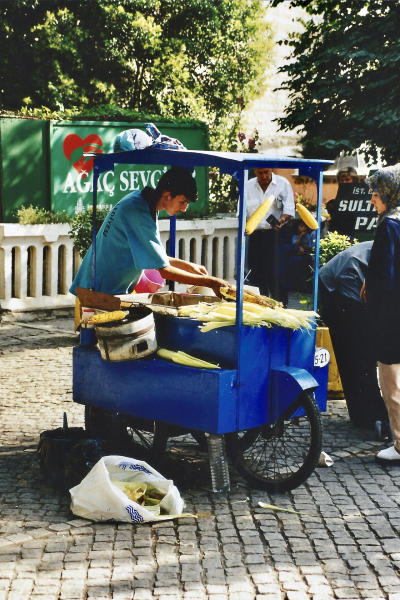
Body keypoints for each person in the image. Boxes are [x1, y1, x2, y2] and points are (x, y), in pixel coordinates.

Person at [70, 166, 229, 298]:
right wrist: (211, 282)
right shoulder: (137, 211)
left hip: (105, 288)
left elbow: (153, 256)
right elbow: (164, 270)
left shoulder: (143, 201)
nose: (184, 208)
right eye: (183, 202)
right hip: (96, 290)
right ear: (167, 195)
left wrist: (189, 266)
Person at [319, 242, 388, 429]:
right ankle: (369, 417)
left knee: (360, 356)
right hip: (341, 285)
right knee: (359, 355)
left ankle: (367, 415)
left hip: (347, 280)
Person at [360, 164, 400, 464]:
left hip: (392, 314)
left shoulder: (388, 224)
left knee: (391, 378)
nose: (372, 199)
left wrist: (370, 292)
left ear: (388, 193)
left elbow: (384, 276)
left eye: (375, 193)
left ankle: (399, 444)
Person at [246, 167, 295, 305]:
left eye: (266, 172)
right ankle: (262, 308)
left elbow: (289, 210)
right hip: (256, 235)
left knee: (275, 274)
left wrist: (282, 220)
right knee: (256, 275)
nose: (264, 176)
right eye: (260, 173)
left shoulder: (283, 183)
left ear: (271, 170)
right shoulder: (248, 185)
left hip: (276, 235)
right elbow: (241, 211)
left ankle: (281, 307)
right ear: (255, 171)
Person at [284, 220, 313, 293]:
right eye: (301, 226)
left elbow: (310, 246)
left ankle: (304, 285)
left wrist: (305, 247)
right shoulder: (294, 236)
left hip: (305, 254)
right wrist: (300, 237)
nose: (304, 228)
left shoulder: (307, 236)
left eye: (305, 226)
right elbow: (295, 244)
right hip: (295, 254)